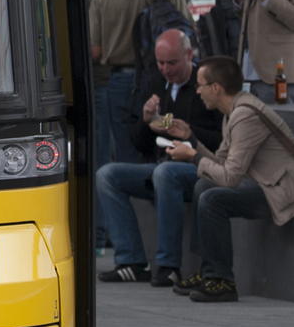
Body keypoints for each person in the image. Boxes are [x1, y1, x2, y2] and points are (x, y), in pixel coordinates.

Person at [163, 55, 294, 302]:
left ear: (216, 88)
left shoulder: (245, 115)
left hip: (287, 192)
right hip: (267, 184)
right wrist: (192, 140)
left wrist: (192, 157)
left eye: (200, 85)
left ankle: (222, 280)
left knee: (213, 199)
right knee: (204, 185)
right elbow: (221, 164)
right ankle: (208, 272)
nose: (197, 90)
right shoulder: (232, 112)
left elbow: (230, 178)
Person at [95, 28, 222, 286]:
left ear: (189, 55)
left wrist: (190, 133)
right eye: (160, 63)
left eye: (172, 63)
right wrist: (145, 120)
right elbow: (139, 142)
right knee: (107, 175)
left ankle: (167, 265)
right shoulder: (154, 82)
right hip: (162, 164)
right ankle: (131, 260)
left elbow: (223, 140)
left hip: (197, 167)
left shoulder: (206, 86)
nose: (166, 69)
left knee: (165, 173)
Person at [88, 0, 188, 167]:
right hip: (163, 78)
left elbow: (95, 50)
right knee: (165, 144)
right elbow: (187, 30)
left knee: (125, 150)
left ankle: (129, 193)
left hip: (121, 81)